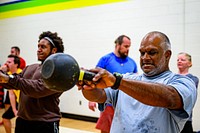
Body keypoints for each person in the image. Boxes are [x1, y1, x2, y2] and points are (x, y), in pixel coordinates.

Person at [77, 31, 197, 132]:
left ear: (167, 55)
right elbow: (99, 96)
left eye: (152, 52)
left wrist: (117, 82)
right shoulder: (128, 79)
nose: (145, 57)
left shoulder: (184, 82)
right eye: (142, 53)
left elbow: (169, 98)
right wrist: (89, 87)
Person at [0, 31, 64, 133]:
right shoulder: (30, 67)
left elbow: (37, 89)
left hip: (45, 123)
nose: (38, 50)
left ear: (54, 50)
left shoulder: (58, 71)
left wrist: (8, 78)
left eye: (43, 47)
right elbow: (13, 81)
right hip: (22, 121)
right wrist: (2, 75)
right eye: (38, 46)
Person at [88, 35, 138, 133]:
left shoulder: (132, 63)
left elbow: (137, 82)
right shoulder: (105, 59)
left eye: (129, 47)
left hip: (126, 105)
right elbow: (94, 78)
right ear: (118, 45)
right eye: (126, 46)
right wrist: (92, 99)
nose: (128, 49)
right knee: (106, 130)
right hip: (109, 103)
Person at [177, 52, 199, 133]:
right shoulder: (172, 77)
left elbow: (185, 94)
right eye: (178, 60)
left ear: (189, 63)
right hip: (173, 119)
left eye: (182, 60)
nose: (179, 61)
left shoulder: (193, 79)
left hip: (186, 119)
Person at [2, 54, 22, 133]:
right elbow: (11, 94)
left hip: (25, 103)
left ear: (16, 64)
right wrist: (14, 110)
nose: (6, 64)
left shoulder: (21, 73)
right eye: (6, 61)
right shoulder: (8, 75)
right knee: (5, 118)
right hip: (18, 102)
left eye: (9, 62)